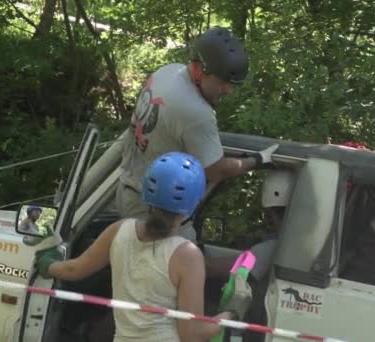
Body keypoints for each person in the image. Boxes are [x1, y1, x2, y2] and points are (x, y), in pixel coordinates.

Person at [35, 152, 252, 342]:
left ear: (147, 191)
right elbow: (191, 335)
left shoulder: (119, 230)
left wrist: (48, 264)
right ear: (193, 203)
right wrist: (232, 314)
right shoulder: (187, 255)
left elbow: (74, 270)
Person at [112, 26, 278, 225]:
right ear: (200, 70)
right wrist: (258, 160)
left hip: (128, 191)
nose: (229, 90)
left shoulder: (168, 72)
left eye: (234, 84)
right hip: (155, 214)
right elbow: (216, 171)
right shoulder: (196, 112)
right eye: (224, 81)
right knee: (185, 255)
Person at [205, 169, 295, 342]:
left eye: (270, 215)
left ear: (272, 213)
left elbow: (214, 268)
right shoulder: (286, 244)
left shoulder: (273, 247)